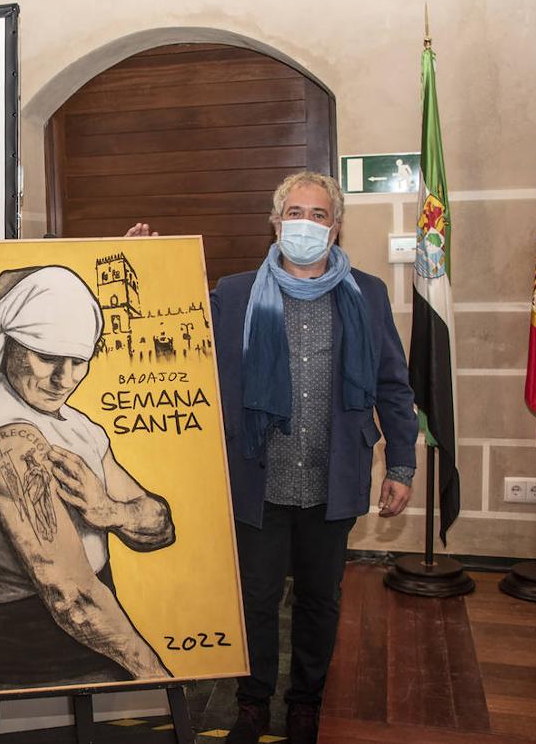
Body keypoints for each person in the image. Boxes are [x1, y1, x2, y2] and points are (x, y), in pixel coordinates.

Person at [128, 171, 416, 744]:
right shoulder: (234, 295)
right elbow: (171, 330)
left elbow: (392, 383)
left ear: (334, 228)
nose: (305, 225)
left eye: (318, 215)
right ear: (275, 221)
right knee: (256, 600)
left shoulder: (366, 293)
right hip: (256, 478)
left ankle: (306, 701)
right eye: (295, 213)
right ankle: (253, 702)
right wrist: (145, 265)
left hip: (333, 477)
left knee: (319, 599)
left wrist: (402, 464)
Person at [0, 266, 175, 692]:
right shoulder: (10, 440)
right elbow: (72, 597)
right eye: (47, 357)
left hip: (99, 655)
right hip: (35, 675)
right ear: (8, 348)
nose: (64, 379)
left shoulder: (76, 427)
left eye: (78, 362)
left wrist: (108, 511)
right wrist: (159, 679)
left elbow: (161, 527)